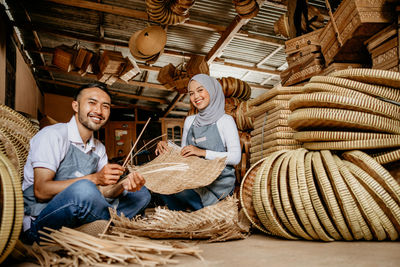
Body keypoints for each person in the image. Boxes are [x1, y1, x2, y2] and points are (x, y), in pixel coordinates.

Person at [22, 82, 151, 243]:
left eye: (105, 106)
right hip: (42, 222)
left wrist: (123, 185)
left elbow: (103, 192)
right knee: (84, 189)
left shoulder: (98, 147)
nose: (98, 111)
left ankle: (95, 229)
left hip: (81, 211)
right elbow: (41, 191)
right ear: (76, 106)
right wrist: (94, 178)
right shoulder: (52, 135)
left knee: (141, 194)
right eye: (92, 103)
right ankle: (109, 227)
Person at [155, 74, 241, 211]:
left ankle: (201, 210)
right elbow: (184, 152)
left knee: (181, 192)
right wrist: (167, 145)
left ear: (212, 90)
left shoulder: (225, 120)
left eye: (200, 90)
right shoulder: (190, 121)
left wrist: (202, 152)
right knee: (160, 184)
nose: (196, 97)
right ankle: (188, 214)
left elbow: (236, 157)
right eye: (191, 93)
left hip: (218, 184)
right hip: (194, 178)